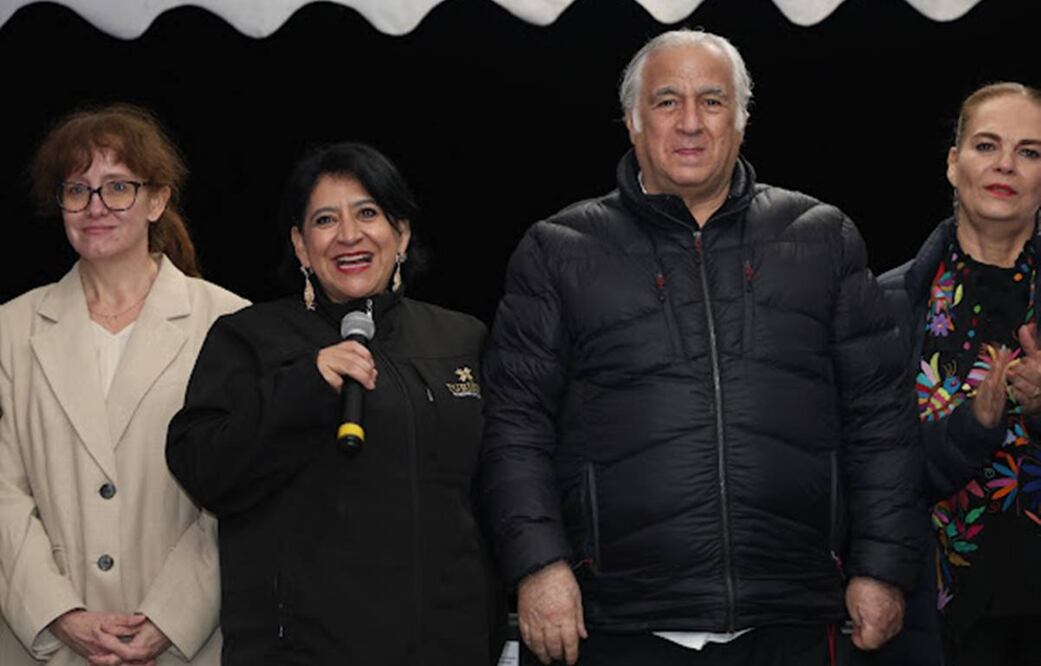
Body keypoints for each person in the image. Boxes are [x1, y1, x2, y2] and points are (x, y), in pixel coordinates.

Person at [480, 29, 921, 665]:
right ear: (633, 122)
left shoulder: (823, 238)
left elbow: (880, 419)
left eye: (712, 101)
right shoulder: (559, 250)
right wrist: (539, 567)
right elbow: (514, 428)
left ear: (741, 121)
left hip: (792, 615)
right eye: (666, 102)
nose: (691, 123)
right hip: (621, 622)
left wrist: (882, 568)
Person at [166, 142, 501, 665]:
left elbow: (497, 488)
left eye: (368, 213)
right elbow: (204, 468)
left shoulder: (461, 337)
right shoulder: (249, 338)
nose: (349, 235)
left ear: (402, 234)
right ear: (301, 246)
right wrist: (305, 384)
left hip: (447, 646)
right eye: (325, 220)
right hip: (302, 652)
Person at [0, 104, 247, 665]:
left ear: (157, 200)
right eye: (76, 189)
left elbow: (243, 490)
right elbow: (3, 496)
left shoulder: (229, 324)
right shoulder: (9, 331)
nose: (94, 207)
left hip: (187, 644)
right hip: (45, 643)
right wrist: (59, 614)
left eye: (117, 187)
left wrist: (172, 613)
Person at [878, 82, 1041, 666]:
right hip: (935, 615)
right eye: (987, 145)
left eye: (1030, 151)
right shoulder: (889, 303)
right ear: (953, 163)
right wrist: (973, 425)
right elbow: (876, 467)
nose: (1005, 165)